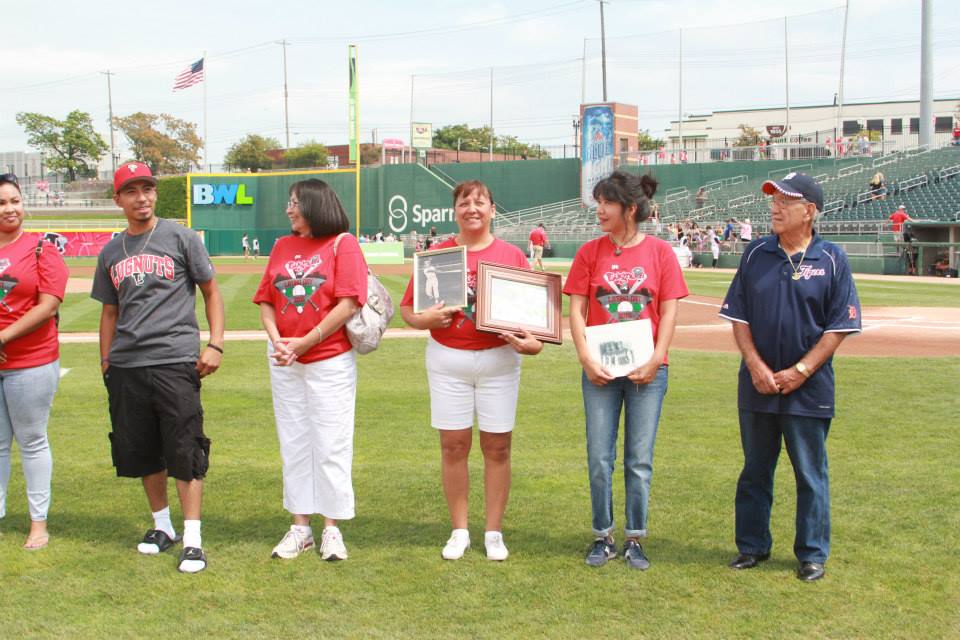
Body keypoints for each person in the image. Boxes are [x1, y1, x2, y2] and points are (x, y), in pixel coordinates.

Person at [719, 172, 861, 582]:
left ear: (809, 211)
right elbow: (739, 317)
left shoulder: (831, 258)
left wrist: (801, 371)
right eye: (773, 200)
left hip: (810, 389)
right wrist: (756, 367)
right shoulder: (755, 253)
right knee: (755, 470)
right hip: (757, 385)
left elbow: (839, 326)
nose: (775, 207)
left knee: (810, 474)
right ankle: (751, 546)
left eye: (786, 201)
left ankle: (812, 554)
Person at [92, 161, 225, 574]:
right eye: (131, 191)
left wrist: (215, 343)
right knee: (143, 450)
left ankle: (194, 539)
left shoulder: (181, 237)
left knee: (185, 448)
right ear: (118, 200)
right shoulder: (112, 252)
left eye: (147, 189)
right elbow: (109, 313)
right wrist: (106, 362)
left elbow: (211, 291)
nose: (142, 197)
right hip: (128, 364)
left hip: (174, 360)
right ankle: (162, 527)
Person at [400, 180, 543, 562]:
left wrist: (534, 344)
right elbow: (409, 310)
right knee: (453, 446)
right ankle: (459, 529)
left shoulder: (512, 256)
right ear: (455, 211)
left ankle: (493, 532)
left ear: (493, 210)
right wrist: (423, 318)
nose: (472, 208)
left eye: (480, 202)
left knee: (497, 447)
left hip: (499, 361)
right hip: (448, 359)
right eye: (464, 202)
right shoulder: (439, 254)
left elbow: (534, 321)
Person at [564, 171, 688, 570]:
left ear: (630, 209)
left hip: (648, 373)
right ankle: (603, 535)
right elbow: (577, 310)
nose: (598, 209)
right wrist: (585, 357)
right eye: (598, 201)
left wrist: (657, 359)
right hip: (599, 371)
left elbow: (668, 311)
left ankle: (635, 538)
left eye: (607, 202)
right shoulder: (590, 252)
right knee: (599, 458)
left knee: (638, 459)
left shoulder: (660, 253)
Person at [253, 179, 368, 562]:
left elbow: (349, 302)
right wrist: (278, 341)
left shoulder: (342, 243)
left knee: (331, 442)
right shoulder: (282, 246)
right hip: (286, 360)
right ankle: (300, 527)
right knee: (294, 443)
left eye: (296, 202)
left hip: (329, 358)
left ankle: (332, 530)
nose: (289, 209)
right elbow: (267, 299)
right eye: (289, 202)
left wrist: (306, 341)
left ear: (315, 205)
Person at [0, 174, 68, 550]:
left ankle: (38, 524)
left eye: (15, 200)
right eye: (2, 203)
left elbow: (49, 303)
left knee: (31, 441)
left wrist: (4, 337)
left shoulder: (41, 248)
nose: (10, 209)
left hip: (31, 361)